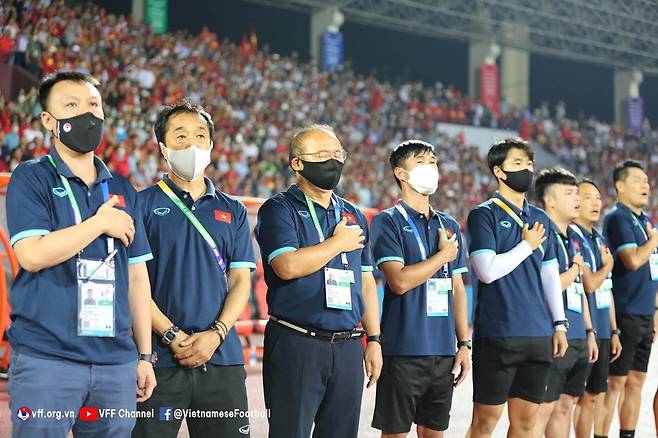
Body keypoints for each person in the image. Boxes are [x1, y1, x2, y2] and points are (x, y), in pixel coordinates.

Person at [7, 71, 156, 438]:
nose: (85, 115)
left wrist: (144, 356)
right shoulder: (31, 178)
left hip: (116, 362)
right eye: (70, 106)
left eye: (93, 105)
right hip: (48, 358)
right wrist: (99, 223)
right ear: (48, 120)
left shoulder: (122, 188)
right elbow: (31, 255)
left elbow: (137, 278)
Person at [132, 101, 255, 437]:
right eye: (181, 136)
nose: (192, 144)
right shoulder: (140, 205)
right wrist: (173, 336)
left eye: (200, 136)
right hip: (158, 360)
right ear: (163, 147)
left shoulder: (234, 210)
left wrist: (216, 334)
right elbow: (133, 284)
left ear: (212, 147)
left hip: (221, 357)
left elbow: (241, 281)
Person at [254, 124, 382, 438]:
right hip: (298, 342)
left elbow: (365, 282)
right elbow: (286, 266)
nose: (333, 161)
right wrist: (337, 243)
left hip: (349, 345)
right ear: (297, 164)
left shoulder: (352, 213)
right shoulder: (278, 209)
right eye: (322, 155)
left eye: (337, 154)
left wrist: (375, 340)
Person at [465, 138, 568, 438]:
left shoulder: (540, 218)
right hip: (498, 333)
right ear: (498, 171)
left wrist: (559, 324)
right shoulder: (483, 214)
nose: (527, 169)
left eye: (529, 164)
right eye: (518, 164)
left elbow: (550, 275)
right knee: (485, 423)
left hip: (538, 334)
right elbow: (486, 272)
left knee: (525, 424)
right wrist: (527, 245)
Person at [370, 139, 470, 437]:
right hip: (403, 351)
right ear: (401, 173)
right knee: (396, 433)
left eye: (434, 162)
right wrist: (442, 256)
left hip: (442, 352)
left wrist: (463, 344)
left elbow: (458, 289)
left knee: (434, 433)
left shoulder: (448, 224)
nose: (431, 168)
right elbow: (399, 281)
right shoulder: (387, 222)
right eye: (422, 162)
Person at [532, 168, 598, 438]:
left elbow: (580, 289)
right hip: (551, 335)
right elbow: (541, 287)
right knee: (543, 410)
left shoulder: (574, 238)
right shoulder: (540, 234)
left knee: (565, 406)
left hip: (578, 335)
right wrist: (573, 270)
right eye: (569, 193)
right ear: (550, 200)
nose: (578, 199)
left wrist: (590, 332)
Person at [599, 160, 658, 438]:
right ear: (620, 185)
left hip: (645, 314)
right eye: (637, 180)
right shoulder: (618, 218)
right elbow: (633, 260)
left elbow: (652, 272)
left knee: (637, 382)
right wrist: (654, 241)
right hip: (624, 312)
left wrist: (655, 310)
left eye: (646, 180)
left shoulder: (645, 220)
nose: (645, 185)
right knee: (615, 384)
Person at [571, 179, 622, 438]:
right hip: (582, 331)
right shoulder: (572, 237)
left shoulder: (598, 238)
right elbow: (590, 284)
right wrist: (608, 267)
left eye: (598, 198)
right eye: (589, 197)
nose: (596, 203)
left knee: (593, 396)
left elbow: (606, 288)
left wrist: (614, 330)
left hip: (602, 330)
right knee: (572, 401)